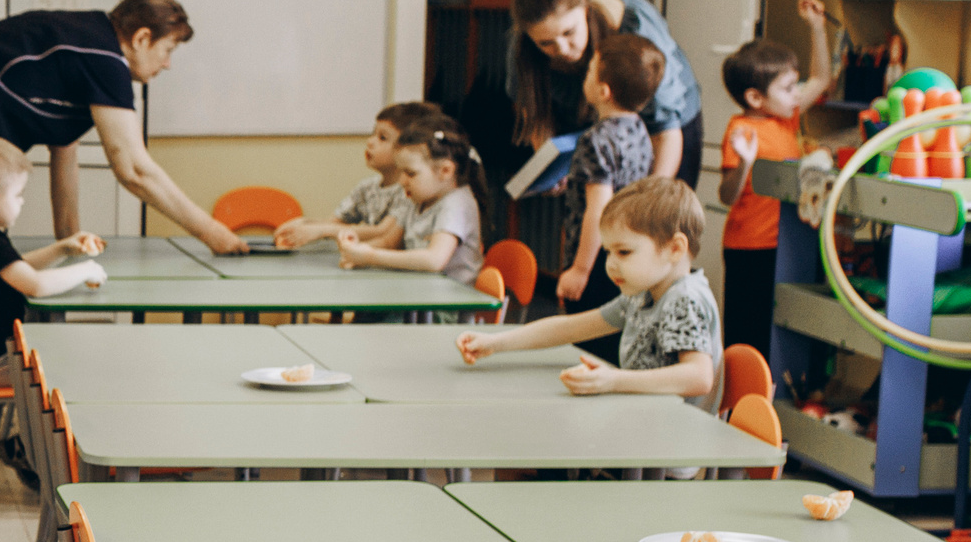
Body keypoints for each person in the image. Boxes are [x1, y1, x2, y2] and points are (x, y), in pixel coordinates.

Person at [0, 0, 245, 453]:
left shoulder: (86, 45)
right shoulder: (103, 57)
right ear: (141, 38)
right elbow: (134, 168)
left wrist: (69, 237)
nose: (168, 63)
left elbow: (65, 152)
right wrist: (214, 234)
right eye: (169, 49)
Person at [455, 179, 720, 405]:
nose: (610, 264)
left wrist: (614, 380)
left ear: (675, 249)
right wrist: (495, 343)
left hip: (667, 447)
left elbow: (698, 377)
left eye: (624, 252)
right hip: (641, 422)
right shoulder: (643, 293)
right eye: (608, 252)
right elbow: (570, 328)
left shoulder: (684, 299)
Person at [508, 0, 704, 189]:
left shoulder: (638, 29)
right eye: (546, 43)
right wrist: (550, 170)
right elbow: (537, 116)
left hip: (668, 127)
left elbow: (666, 129)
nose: (562, 49)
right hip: (596, 124)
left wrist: (649, 199)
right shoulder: (524, 47)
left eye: (569, 32)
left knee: (661, 210)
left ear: (586, 7)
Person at [718, 0, 834, 366]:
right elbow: (726, 195)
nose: (797, 93)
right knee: (747, 338)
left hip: (787, 246)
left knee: (781, 336)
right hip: (750, 251)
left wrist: (817, 28)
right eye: (787, 88)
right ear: (755, 97)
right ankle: (737, 409)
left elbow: (821, 79)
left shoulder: (785, 119)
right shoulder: (740, 130)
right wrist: (744, 165)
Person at [0, 137, 105, 389]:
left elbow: (17, 266)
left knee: (57, 357)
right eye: (18, 194)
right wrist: (87, 269)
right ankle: (40, 429)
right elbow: (35, 285)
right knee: (65, 367)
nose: (22, 201)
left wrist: (62, 248)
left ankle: (30, 429)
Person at [556, 32, 667, 342]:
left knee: (585, 340)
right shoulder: (640, 129)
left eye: (590, 69)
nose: (585, 74)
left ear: (603, 90)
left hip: (596, 259)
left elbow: (599, 210)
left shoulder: (596, 139)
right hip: (625, 255)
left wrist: (579, 270)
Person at [338, 117, 487, 290]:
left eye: (410, 173)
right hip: (418, 296)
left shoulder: (457, 204)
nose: (402, 181)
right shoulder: (418, 199)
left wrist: (370, 256)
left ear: (445, 171)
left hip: (444, 309)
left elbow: (434, 260)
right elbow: (389, 242)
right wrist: (356, 250)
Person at [273, 101, 443, 249]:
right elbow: (336, 222)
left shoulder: (411, 191)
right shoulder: (367, 188)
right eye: (373, 134)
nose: (370, 142)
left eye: (382, 138)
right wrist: (304, 224)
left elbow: (383, 232)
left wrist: (321, 231)